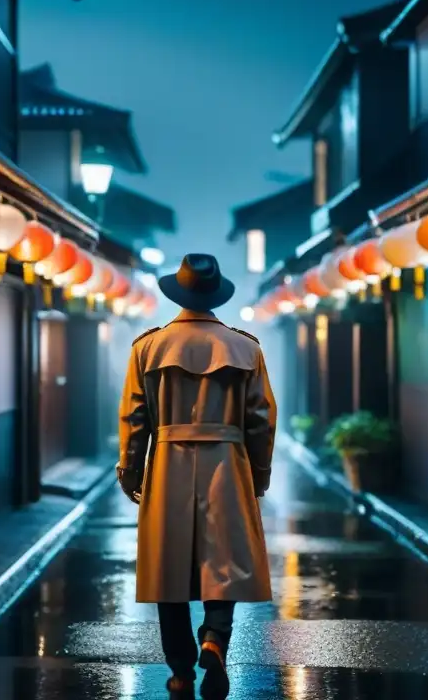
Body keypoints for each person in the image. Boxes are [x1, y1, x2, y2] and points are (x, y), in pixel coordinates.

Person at [116, 253, 276, 698]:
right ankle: (214, 640)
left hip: (168, 459)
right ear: (215, 293)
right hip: (227, 459)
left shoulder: (147, 348)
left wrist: (131, 471)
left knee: (168, 565)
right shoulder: (246, 348)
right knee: (223, 560)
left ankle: (181, 668)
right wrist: (257, 475)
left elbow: (134, 416)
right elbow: (261, 420)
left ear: (178, 292)